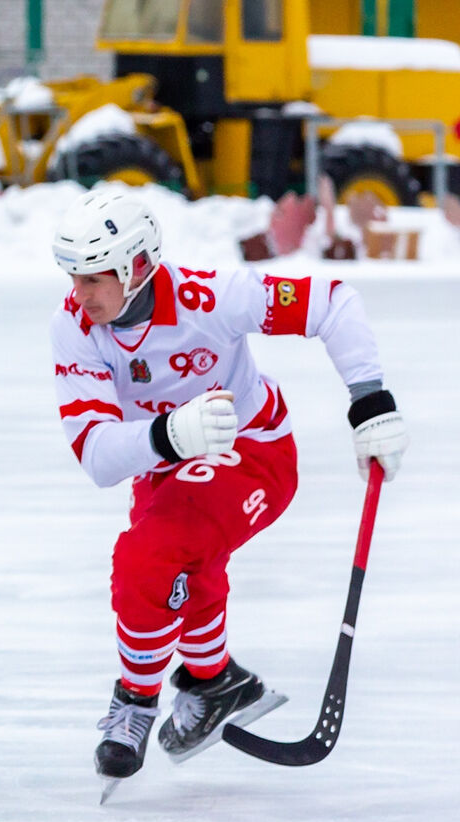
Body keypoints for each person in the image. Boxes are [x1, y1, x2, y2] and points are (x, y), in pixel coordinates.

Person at [48, 189, 410, 786]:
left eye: (93, 278)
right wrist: (168, 434)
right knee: (178, 559)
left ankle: (136, 699)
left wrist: (370, 401)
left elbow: (331, 302)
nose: (79, 294)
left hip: (255, 448)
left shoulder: (208, 297)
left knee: (147, 555)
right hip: (167, 463)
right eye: (73, 277)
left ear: (137, 266)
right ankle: (213, 679)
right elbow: (97, 456)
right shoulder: (76, 327)